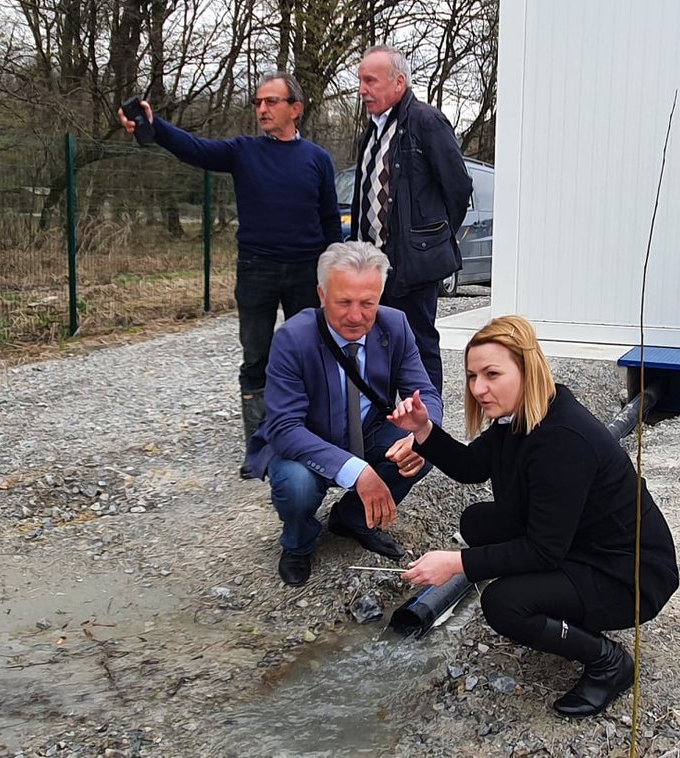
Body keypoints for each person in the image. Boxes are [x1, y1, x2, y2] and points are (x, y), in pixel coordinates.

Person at [384, 315, 680, 718]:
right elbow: (472, 466)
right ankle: (560, 607)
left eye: (492, 374)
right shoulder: (523, 414)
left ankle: (609, 662)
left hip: (629, 574)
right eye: (472, 376)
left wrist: (456, 564)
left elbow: (543, 550)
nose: (478, 388)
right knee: (477, 522)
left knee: (503, 603)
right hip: (581, 542)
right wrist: (422, 428)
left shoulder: (562, 439)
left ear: (527, 368)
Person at [119, 73, 341, 477]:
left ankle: (309, 439)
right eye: (257, 102)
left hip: (307, 272)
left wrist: (332, 275)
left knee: (310, 354)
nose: (262, 109)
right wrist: (155, 126)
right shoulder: (243, 152)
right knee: (255, 358)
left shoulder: (318, 159)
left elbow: (329, 221)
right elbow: (195, 149)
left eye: (271, 102)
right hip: (256, 270)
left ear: (296, 108)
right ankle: (259, 448)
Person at [245, 241, 443, 586]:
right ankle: (298, 542)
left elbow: (425, 393)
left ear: (380, 296)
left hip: (368, 430)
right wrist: (358, 472)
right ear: (322, 295)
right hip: (306, 441)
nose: (355, 316)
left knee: (425, 450)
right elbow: (285, 427)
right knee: (296, 485)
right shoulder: (293, 338)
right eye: (343, 302)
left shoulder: (395, 325)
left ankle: (352, 519)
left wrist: (424, 431)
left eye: (368, 303)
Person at [350, 45, 473, 394]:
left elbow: (458, 187)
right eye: (360, 81)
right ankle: (384, 421)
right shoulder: (372, 132)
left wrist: (429, 240)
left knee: (417, 346)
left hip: (413, 267)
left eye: (370, 81)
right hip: (372, 266)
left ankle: (427, 422)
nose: (362, 90)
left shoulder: (426, 122)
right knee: (376, 347)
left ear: (399, 82)